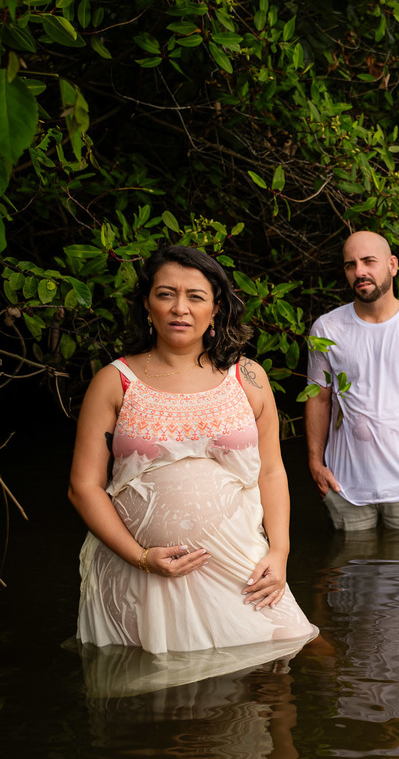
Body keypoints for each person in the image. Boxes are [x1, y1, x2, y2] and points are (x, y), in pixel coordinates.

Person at [68, 245, 318, 657]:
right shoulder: (114, 381)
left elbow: (271, 472)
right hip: (140, 573)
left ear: (216, 308)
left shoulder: (248, 376)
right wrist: (142, 557)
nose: (179, 308)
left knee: (280, 664)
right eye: (165, 294)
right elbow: (83, 486)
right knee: (152, 699)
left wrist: (280, 550)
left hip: (242, 568)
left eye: (195, 296)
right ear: (147, 305)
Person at [304, 230, 399, 531]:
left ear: (392, 265)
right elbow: (318, 398)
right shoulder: (326, 329)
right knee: (349, 571)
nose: (359, 271)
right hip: (345, 488)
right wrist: (315, 463)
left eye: (368, 261)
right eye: (351, 265)